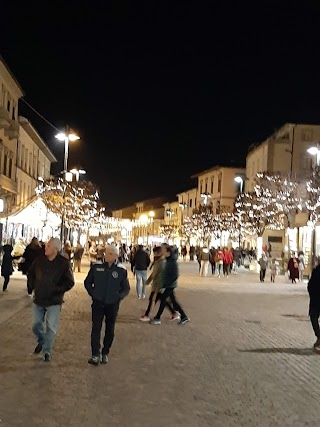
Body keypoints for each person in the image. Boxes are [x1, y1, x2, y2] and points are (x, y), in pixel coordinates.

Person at [28, 238, 75, 362]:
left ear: (56, 249)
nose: (45, 248)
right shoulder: (39, 260)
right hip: (39, 298)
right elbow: (31, 273)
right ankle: (42, 340)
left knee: (51, 327)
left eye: (48, 246)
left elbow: (70, 282)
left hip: (54, 300)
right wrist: (32, 286)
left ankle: (47, 351)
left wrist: (57, 290)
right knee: (36, 325)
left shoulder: (63, 263)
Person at [84, 245, 130, 365]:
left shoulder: (121, 270)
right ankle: (95, 354)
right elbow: (87, 282)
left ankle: (105, 352)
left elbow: (126, 288)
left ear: (116, 256)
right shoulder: (96, 267)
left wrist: (118, 297)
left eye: (111, 254)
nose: (108, 256)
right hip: (98, 303)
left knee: (110, 329)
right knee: (96, 329)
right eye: (107, 253)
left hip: (112, 304)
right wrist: (94, 294)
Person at [150, 244, 189, 325]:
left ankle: (157, 318)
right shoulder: (168, 260)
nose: (162, 252)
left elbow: (175, 275)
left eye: (164, 250)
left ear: (168, 252)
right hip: (168, 284)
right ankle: (183, 316)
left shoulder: (172, 262)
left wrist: (165, 284)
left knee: (163, 300)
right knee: (173, 301)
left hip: (169, 285)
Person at [140, 246, 178, 322]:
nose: (154, 254)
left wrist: (148, 282)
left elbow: (156, 274)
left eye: (155, 253)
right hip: (159, 284)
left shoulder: (161, 262)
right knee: (162, 300)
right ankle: (174, 313)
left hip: (159, 285)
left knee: (153, 300)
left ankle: (148, 315)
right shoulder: (159, 261)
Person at [307, 263, 320, 352]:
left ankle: (319, 337)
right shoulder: (317, 271)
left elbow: (310, 285)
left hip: (315, 300)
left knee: (313, 317)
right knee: (313, 317)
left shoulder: (316, 270)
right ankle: (319, 336)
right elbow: (310, 285)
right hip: (316, 299)